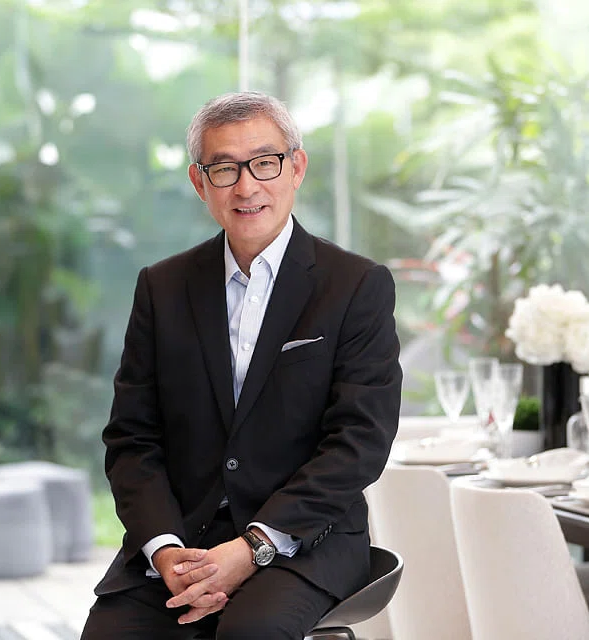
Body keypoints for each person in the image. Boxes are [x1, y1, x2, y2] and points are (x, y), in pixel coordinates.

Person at [80, 91, 403, 639]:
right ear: (199, 182)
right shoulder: (162, 287)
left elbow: (359, 442)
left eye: (265, 163)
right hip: (185, 542)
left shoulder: (356, 285)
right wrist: (165, 549)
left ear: (296, 167)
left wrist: (254, 546)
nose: (247, 187)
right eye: (225, 169)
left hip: (306, 538)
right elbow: (132, 438)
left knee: (249, 633)